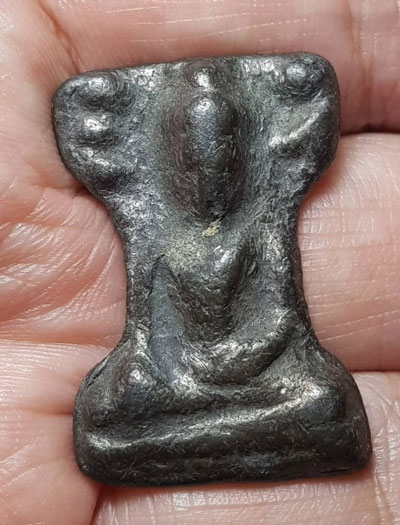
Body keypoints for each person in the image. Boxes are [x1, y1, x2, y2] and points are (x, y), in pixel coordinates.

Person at [0, 0, 398, 523]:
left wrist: (236, 360)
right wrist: (179, 373)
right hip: (177, 380)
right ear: (174, 163)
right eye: (196, 162)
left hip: (255, 371)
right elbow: (149, 334)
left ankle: (190, 438)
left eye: (223, 162)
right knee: (115, 404)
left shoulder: (259, 232)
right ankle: (219, 433)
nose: (211, 176)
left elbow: (282, 321)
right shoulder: (159, 239)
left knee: (322, 399)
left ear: (241, 161)